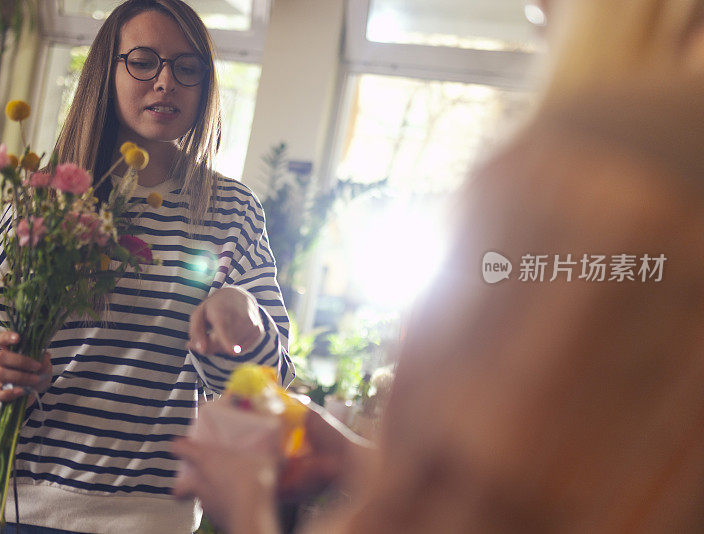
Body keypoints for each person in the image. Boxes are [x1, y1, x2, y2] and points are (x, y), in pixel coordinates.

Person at [172, 0, 704, 532]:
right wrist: (363, 461)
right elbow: (561, 490)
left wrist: (245, 505)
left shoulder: (584, 181)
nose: (535, 8)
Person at [0, 1, 294, 533]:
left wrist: (242, 324)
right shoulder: (47, 198)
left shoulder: (232, 211)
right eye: (143, 61)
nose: (165, 81)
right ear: (105, 72)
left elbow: (268, 390)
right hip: (1, 506)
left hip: (142, 518)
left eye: (186, 67)